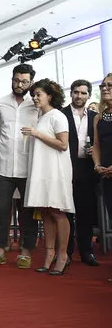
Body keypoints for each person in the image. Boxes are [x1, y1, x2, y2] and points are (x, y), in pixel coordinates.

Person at [0, 63, 40, 269]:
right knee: (0, 211)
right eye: (16, 80)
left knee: (28, 212)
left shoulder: (35, 104)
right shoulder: (0, 103)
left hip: (28, 168)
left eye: (24, 81)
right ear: (12, 79)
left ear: (31, 82)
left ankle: (26, 252)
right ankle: (0, 251)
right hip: (4, 168)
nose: (19, 84)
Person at [22, 79, 74, 275]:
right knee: (45, 212)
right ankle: (49, 254)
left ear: (50, 96)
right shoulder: (40, 117)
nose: (35, 98)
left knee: (58, 212)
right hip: (42, 170)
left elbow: (63, 144)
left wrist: (37, 134)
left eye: (38, 95)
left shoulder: (57, 116)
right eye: (33, 95)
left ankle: (62, 255)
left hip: (56, 171)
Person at [61, 80, 99, 267]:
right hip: (66, 167)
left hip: (87, 168)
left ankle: (86, 251)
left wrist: (96, 151)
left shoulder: (95, 116)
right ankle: (66, 253)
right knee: (66, 212)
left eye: (83, 93)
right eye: (76, 92)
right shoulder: (61, 114)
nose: (79, 96)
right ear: (71, 93)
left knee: (86, 212)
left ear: (88, 96)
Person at [92, 73, 112, 282]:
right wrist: (97, 164)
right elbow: (96, 144)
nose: (105, 88)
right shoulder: (100, 116)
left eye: (110, 85)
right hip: (106, 174)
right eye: (103, 85)